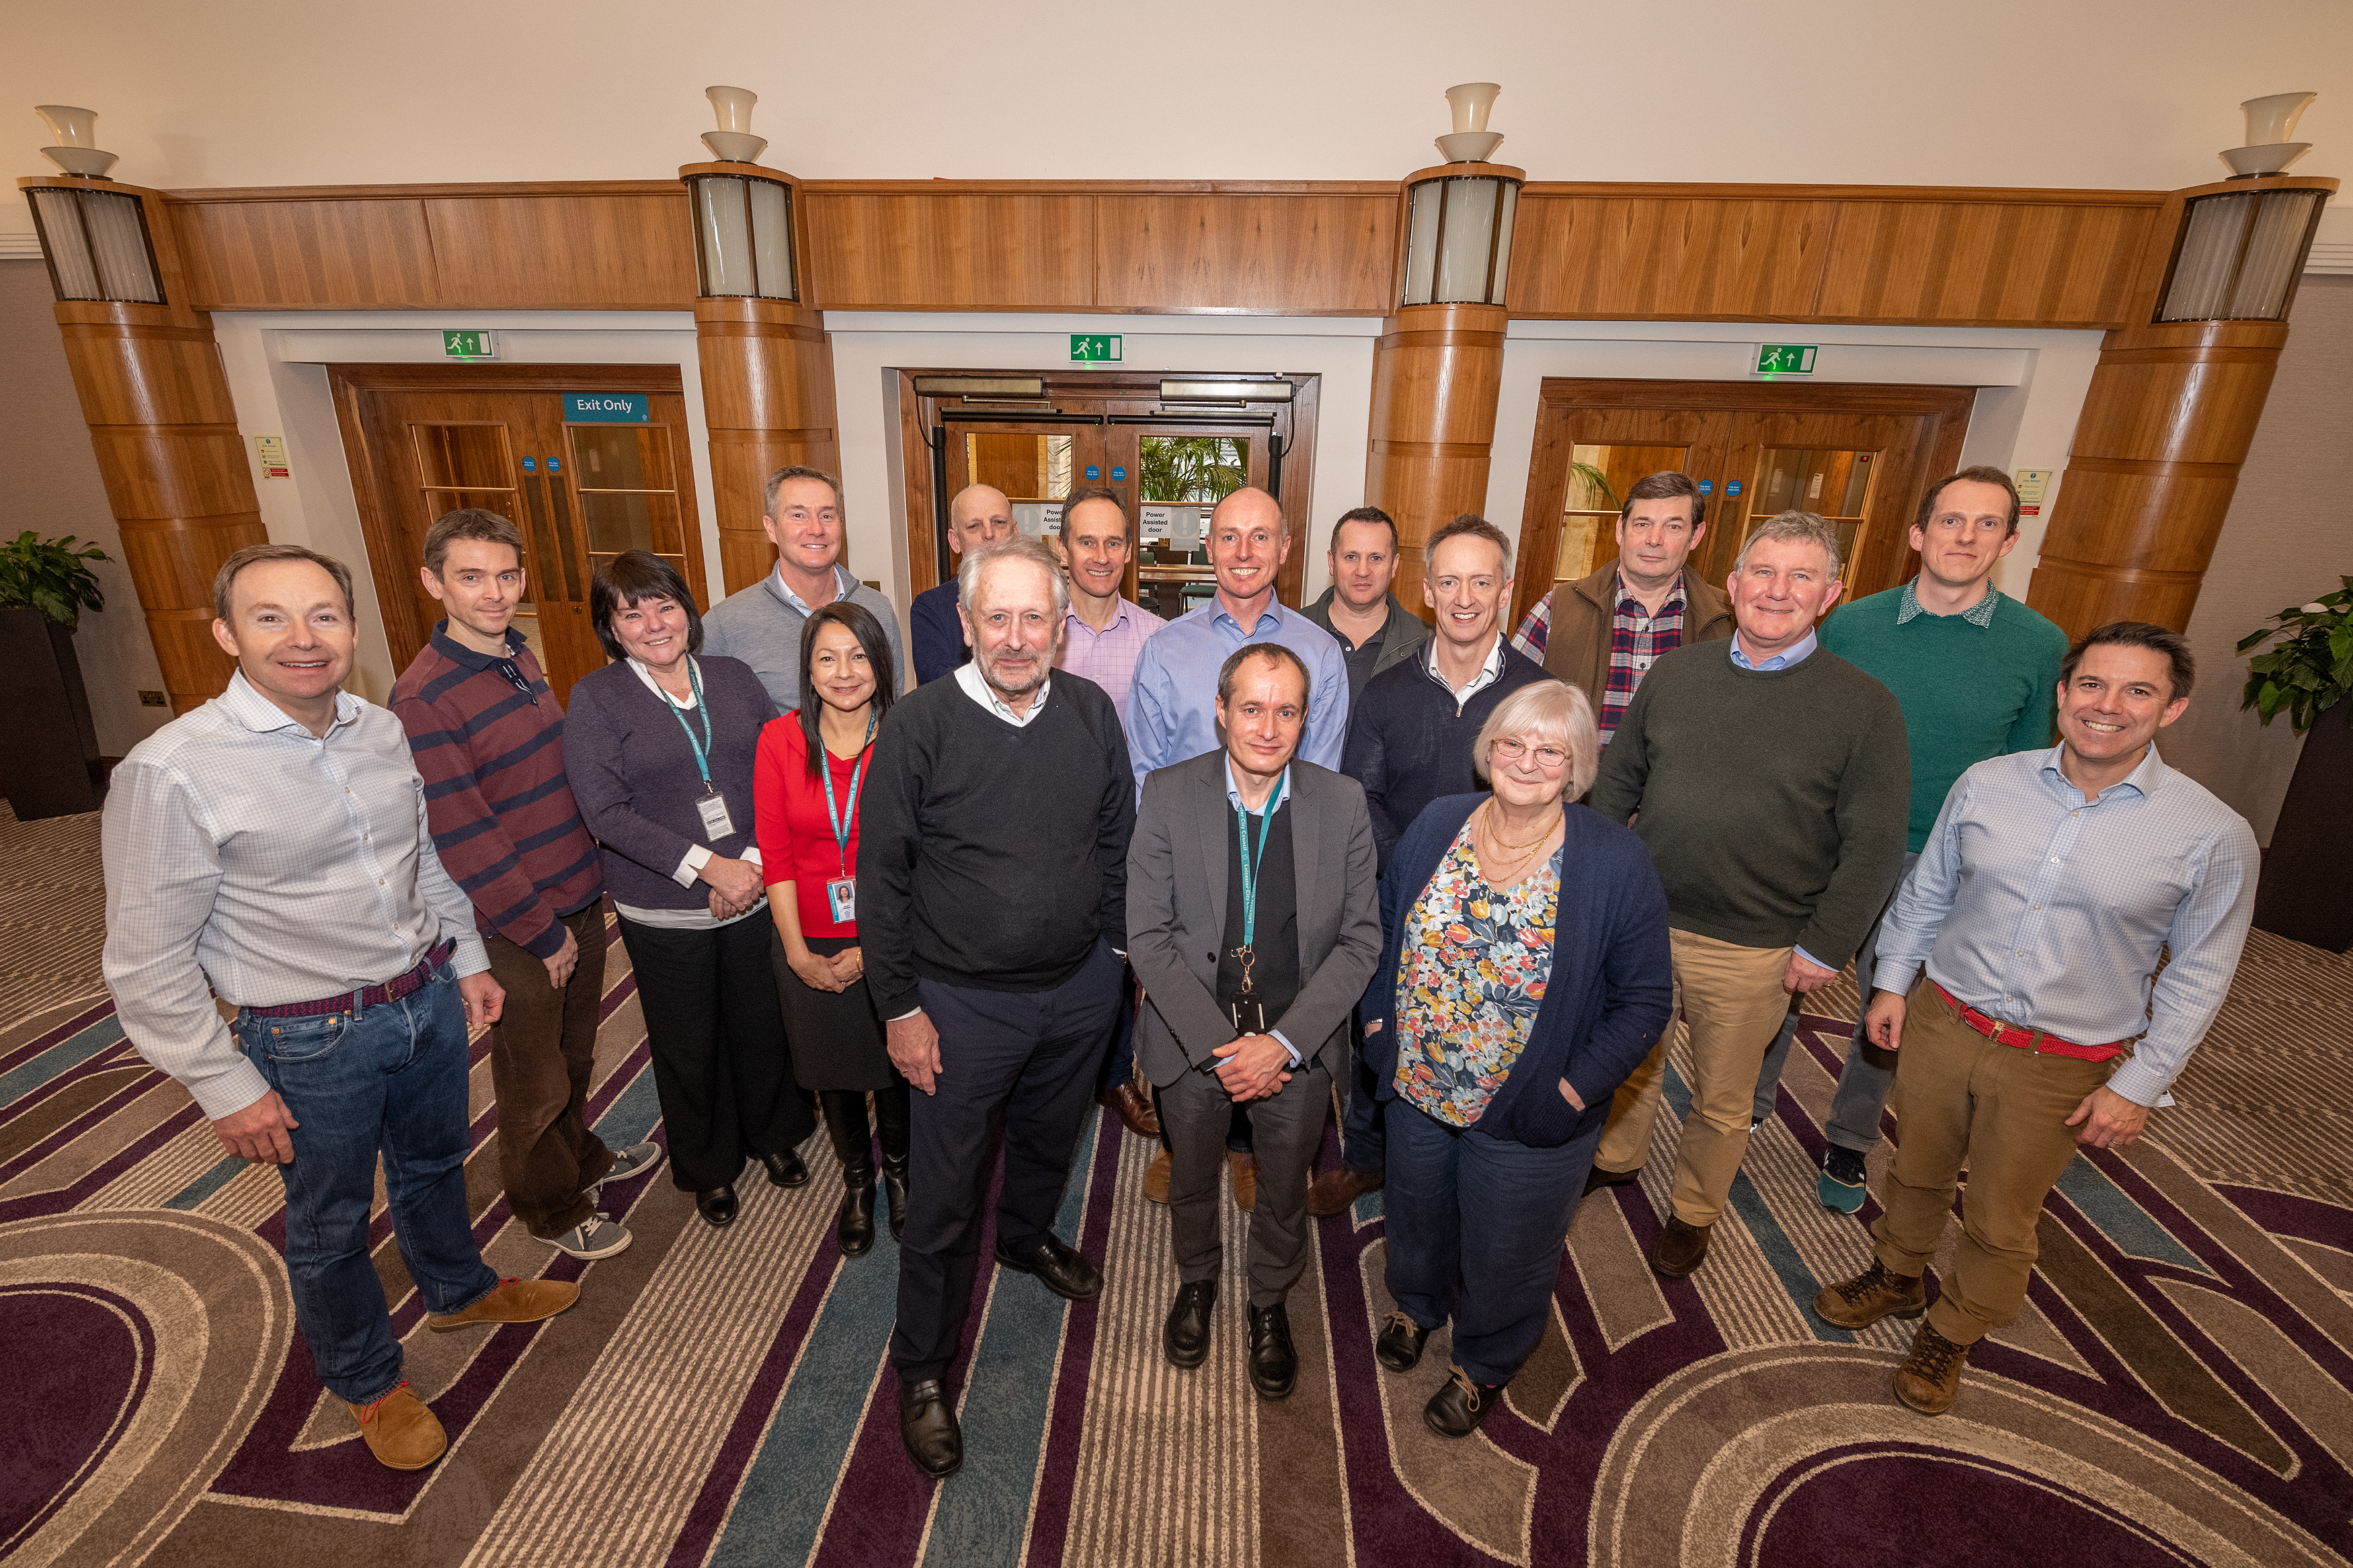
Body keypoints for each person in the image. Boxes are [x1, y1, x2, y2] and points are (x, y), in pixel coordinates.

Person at [102, 543, 578, 1473]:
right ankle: (367, 1378)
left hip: (426, 997)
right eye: (271, 617)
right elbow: (147, 961)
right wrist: (220, 1082)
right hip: (304, 1036)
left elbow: (424, 857)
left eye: (323, 615)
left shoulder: (377, 729)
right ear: (226, 634)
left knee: (437, 1163)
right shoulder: (172, 771)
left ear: (353, 630)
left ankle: (457, 1286)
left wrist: (468, 956)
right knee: (328, 1224)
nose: (303, 639)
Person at [1812, 622, 2256, 1416]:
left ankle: (1954, 1326)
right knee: (1913, 1164)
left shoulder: (2210, 834)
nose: (2107, 706)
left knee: (1999, 1208)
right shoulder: (1988, 783)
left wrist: (2141, 1083)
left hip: (2061, 1055)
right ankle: (1898, 1272)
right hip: (1943, 1019)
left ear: (2172, 707)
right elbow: (1928, 893)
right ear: (2062, 692)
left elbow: (2200, 972)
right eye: (2091, 684)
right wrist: (1888, 985)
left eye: (2137, 691)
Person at [859, 536, 1134, 1480]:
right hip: (959, 1005)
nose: (1016, 638)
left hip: (1077, 993)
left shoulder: (1093, 711)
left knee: (1051, 1142)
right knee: (942, 1197)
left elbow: (1115, 840)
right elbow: (882, 877)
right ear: (966, 622)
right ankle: (924, 1368)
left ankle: (1024, 1240)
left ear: (1061, 628)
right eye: (998, 617)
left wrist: (1114, 959)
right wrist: (899, 1008)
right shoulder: (920, 723)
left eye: (1034, 618)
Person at [1586, 511, 1909, 1280]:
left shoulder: (1864, 706)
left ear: (1829, 594)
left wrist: (1824, 944)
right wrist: (1595, 891)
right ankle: (1617, 1158)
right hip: (1644, 918)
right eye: (1762, 571)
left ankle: (1693, 1210)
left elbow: (1872, 844)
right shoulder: (1677, 673)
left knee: (1723, 1094)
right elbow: (1617, 784)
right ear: (1731, 585)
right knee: (1627, 1058)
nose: (1777, 590)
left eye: (1800, 576)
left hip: (1759, 941)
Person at [1749, 467, 2069, 1212]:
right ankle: (1749, 1102)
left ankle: (1849, 1139)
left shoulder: (2037, 643)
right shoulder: (1852, 624)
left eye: (1985, 524)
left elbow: (2024, 769)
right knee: (1782, 980)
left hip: (1941, 859)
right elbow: (1805, 727)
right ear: (1918, 534)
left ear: (2008, 540)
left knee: (1885, 1007)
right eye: (1950, 521)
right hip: (1827, 844)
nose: (1964, 537)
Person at [1361, 680, 1672, 1438]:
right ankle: (1416, 1304)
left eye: (1549, 750)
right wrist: (1376, 1029)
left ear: (1575, 768)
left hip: (1530, 1104)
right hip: (1417, 1080)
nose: (1525, 761)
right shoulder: (1438, 822)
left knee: (1510, 1246)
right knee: (1416, 1207)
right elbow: (1381, 930)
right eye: (1511, 742)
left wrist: (1568, 1092)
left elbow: (1645, 1002)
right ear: (1487, 748)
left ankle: (1484, 1360)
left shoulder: (1613, 860)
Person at [392, 509, 660, 1262]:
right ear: (433, 582)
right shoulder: (425, 697)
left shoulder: (518, 654)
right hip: (515, 922)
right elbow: (463, 833)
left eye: (506, 575)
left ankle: (581, 1156)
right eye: (471, 577)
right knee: (532, 1072)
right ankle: (547, 1202)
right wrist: (539, 930)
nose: (494, 592)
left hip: (573, 893)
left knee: (576, 1050)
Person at [1128, 644, 1381, 1398]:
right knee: (1193, 1171)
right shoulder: (1169, 794)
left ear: (1306, 717)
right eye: (1250, 707)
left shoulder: (1341, 803)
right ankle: (1197, 1279)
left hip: (1295, 1044)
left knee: (1281, 1186)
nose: (1267, 727)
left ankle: (1268, 1296)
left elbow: (1360, 939)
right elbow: (1147, 936)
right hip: (1190, 1038)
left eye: (1286, 710)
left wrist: (1282, 1044)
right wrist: (1220, 1047)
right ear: (1219, 709)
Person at [564, 550, 814, 1231]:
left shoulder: (731, 678)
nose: (653, 623)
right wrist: (710, 867)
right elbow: (605, 813)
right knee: (688, 1039)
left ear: (687, 610)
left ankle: (774, 1135)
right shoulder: (596, 698)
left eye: (664, 604)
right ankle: (709, 1165)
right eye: (632, 612)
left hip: (756, 887)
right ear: (611, 627)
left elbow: (778, 769)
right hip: (664, 903)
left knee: (762, 1023)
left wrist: (753, 865)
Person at [1308, 513, 1548, 1217]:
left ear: (1504, 588)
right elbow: (1363, 795)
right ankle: (1365, 1155)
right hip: (1400, 893)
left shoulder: (1536, 696)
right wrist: (1418, 876)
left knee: (1491, 1035)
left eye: (1480, 580)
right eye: (1449, 580)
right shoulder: (1386, 692)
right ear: (1427, 588)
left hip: (1506, 911)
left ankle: (1472, 1163)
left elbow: (1552, 808)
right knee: (1379, 1027)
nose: (1464, 596)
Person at [1125, 485, 1348, 1209]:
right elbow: (1143, 770)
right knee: (1188, 1011)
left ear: (1284, 549)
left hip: (1278, 860)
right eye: (1228, 536)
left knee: (1271, 999)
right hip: (1187, 871)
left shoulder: (1319, 650)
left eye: (1260, 537)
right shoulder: (1167, 646)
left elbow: (1327, 772)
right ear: (1209, 546)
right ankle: (1185, 1141)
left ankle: (1253, 1147)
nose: (1244, 551)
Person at [755, 601, 911, 1257]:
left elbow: (921, 855)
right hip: (807, 938)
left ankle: (902, 1173)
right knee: (834, 1069)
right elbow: (777, 854)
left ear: (880, 662)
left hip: (894, 935)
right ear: (807, 668)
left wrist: (870, 949)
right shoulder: (778, 739)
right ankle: (856, 1181)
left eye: (857, 655)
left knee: (898, 1065)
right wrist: (796, 953)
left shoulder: (908, 734)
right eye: (827, 657)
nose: (843, 672)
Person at [1053, 485, 1168, 1142]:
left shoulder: (1156, 637)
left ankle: (1117, 1073)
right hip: (1050, 832)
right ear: (1063, 548)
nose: (1100, 555)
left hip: (1131, 830)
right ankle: (1063, 1070)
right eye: (1086, 540)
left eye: (1113, 541)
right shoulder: (1038, 629)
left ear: (1128, 550)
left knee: (1124, 956)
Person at [1507, 470, 1732, 746]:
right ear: (1620, 529)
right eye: (1642, 524)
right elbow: (1507, 707)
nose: (1654, 539)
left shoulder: (1729, 622)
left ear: (1696, 536)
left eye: (1673, 527)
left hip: (1674, 788)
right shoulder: (1557, 608)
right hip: (1577, 786)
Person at [704, 464, 907, 712]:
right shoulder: (726, 624)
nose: (816, 529)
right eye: (798, 515)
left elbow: (893, 704)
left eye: (827, 516)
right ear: (771, 528)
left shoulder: (876, 608)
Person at [1301, 505, 1429, 701]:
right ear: (1332, 562)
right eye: (1351, 557)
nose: (1362, 571)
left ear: (1394, 565)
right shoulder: (1292, 632)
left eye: (1375, 558)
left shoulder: (1426, 644)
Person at [909, 483, 1016, 684]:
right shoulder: (931, 608)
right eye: (974, 526)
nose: (988, 533)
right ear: (955, 541)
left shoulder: (1040, 599)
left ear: (1015, 531)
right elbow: (937, 686)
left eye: (999, 522)